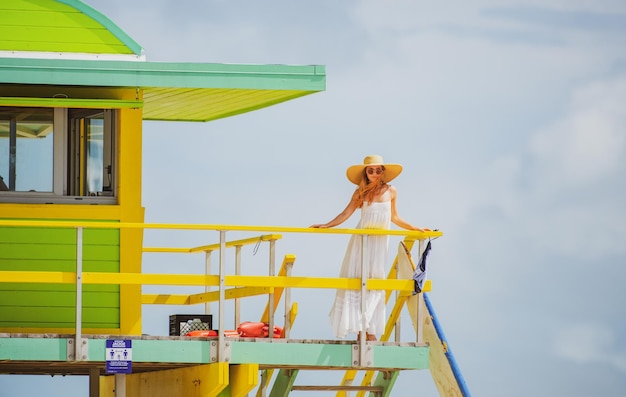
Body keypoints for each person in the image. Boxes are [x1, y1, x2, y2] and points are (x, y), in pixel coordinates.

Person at [310, 154, 428, 341]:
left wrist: (415, 227)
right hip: (362, 240)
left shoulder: (391, 191)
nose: (374, 173)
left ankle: (369, 329)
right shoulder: (360, 192)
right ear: (366, 172)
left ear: (382, 172)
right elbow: (346, 213)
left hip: (380, 242)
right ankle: (359, 330)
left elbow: (395, 217)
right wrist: (327, 224)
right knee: (359, 278)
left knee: (375, 280)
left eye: (377, 170)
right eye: (370, 170)